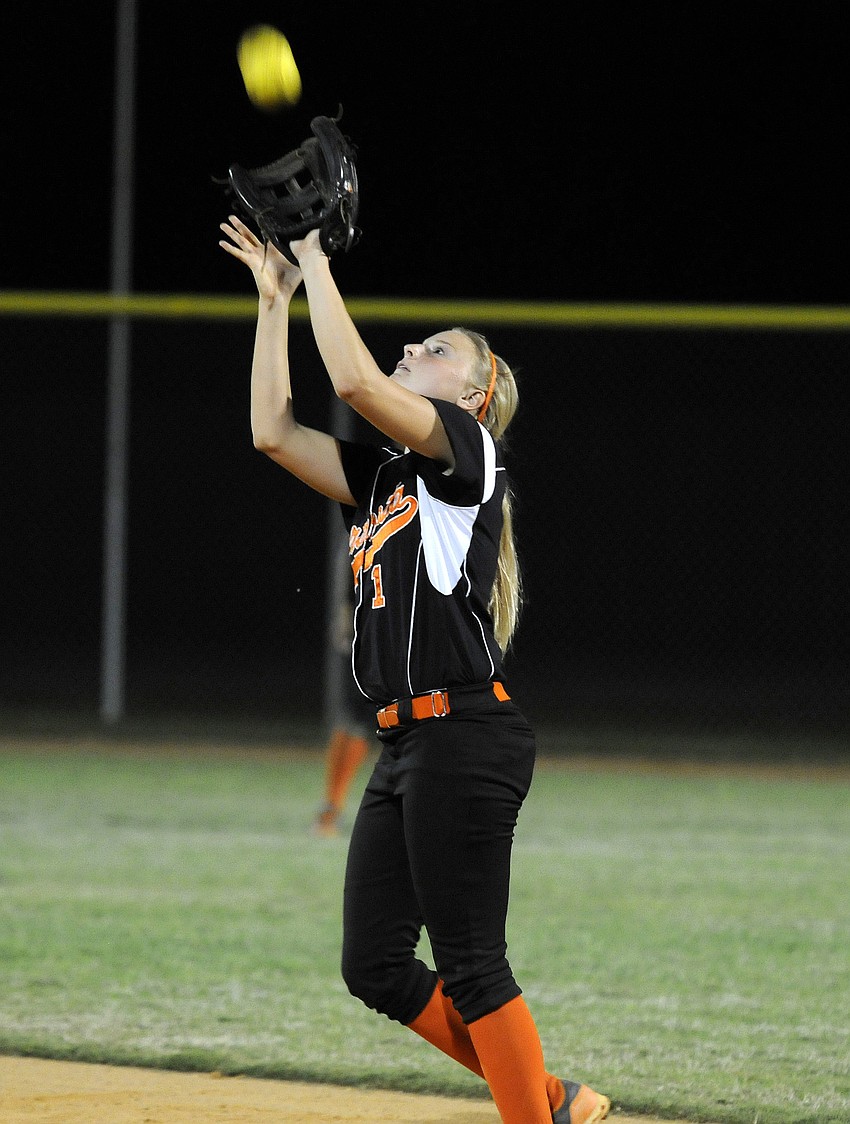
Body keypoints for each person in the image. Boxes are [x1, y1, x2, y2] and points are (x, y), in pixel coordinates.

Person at [218, 213, 611, 1124]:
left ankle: (535, 1113)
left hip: (466, 734)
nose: (412, 348)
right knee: (376, 965)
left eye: (435, 350)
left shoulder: (467, 458)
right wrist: (275, 302)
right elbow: (273, 433)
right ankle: (546, 1099)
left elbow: (352, 378)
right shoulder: (393, 477)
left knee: (475, 963)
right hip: (407, 747)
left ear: (470, 400)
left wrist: (316, 258)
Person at [313, 559, 371, 837]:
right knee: (359, 724)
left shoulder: (361, 530)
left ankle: (330, 808)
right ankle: (330, 809)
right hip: (370, 639)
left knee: (353, 723)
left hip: (364, 637)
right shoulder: (372, 528)